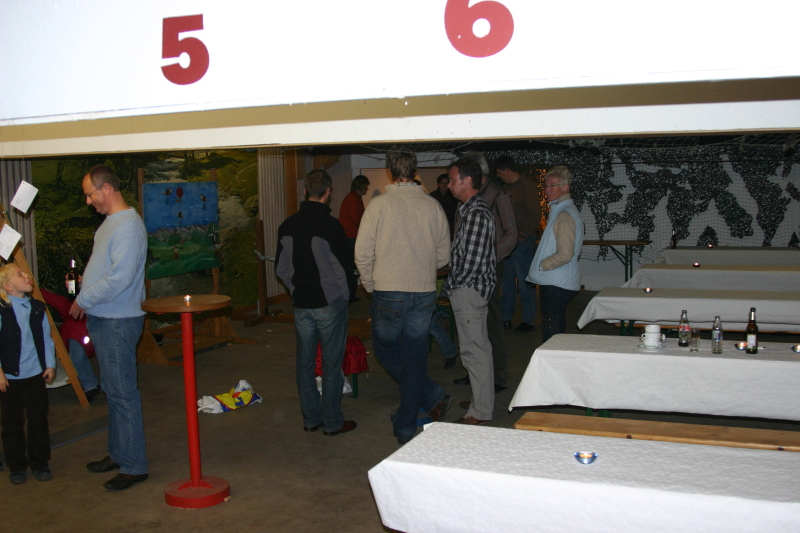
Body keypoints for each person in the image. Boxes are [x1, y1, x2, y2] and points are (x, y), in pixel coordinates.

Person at [355, 148, 451, 445]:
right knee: (414, 357)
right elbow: (443, 256)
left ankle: (427, 402)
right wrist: (422, 267)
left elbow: (362, 252)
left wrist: (369, 284)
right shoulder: (432, 206)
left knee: (385, 352)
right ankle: (411, 420)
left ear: (390, 171)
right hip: (423, 291)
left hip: (388, 291)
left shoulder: (378, 206)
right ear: (415, 170)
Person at [69, 164, 149, 492]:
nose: (89, 201)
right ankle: (119, 453)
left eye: (90, 195)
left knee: (122, 393)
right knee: (113, 391)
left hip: (117, 320)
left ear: (106, 189)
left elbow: (120, 278)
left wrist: (84, 297)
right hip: (104, 319)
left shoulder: (128, 225)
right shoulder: (109, 225)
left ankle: (134, 465)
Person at [276, 169, 357, 437]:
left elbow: (281, 268)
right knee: (332, 366)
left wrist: (295, 290)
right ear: (328, 192)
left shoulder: (287, 226)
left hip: (302, 305)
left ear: (305, 191)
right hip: (329, 303)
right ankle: (332, 422)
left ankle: (311, 418)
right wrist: (344, 296)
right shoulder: (331, 227)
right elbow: (343, 269)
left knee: (305, 364)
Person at [453, 152, 517, 393]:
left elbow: (511, 233)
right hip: (469, 266)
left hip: (488, 265)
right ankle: (475, 373)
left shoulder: (499, 195)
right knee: (473, 325)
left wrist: (490, 257)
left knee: (491, 320)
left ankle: (497, 377)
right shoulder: (466, 197)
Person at [445, 157, 496, 425]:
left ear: (467, 181)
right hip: (470, 290)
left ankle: (480, 411)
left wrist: (452, 286)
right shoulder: (471, 210)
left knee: (474, 354)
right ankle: (481, 399)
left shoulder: (475, 213)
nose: (449, 185)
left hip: (468, 291)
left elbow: (471, 264)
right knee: (476, 351)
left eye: (452, 180)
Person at [0, 263, 56, 485]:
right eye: (19, 274)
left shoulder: (38, 307)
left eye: (25, 272)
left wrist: (49, 364)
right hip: (9, 379)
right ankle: (16, 465)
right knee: (11, 423)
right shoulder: (2, 309)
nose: (27, 276)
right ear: (8, 286)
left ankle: (40, 462)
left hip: (34, 375)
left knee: (38, 420)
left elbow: (46, 338)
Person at [527, 165, 583, 343]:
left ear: (565, 187)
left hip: (555, 281)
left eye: (552, 186)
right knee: (555, 326)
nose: (547, 190)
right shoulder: (561, 210)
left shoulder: (564, 215)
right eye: (546, 186)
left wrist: (542, 265)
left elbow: (565, 254)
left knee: (552, 330)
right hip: (556, 279)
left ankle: (552, 357)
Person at [496, 156, 542, 332]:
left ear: (507, 171)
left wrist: (522, 235)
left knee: (524, 282)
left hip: (521, 242)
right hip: (509, 241)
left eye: (499, 173)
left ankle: (528, 320)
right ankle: (505, 318)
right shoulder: (507, 187)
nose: (498, 176)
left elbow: (534, 214)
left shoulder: (526, 186)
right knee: (507, 281)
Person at [40, 287, 101, 401]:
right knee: (81, 360)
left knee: (78, 360)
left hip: (76, 335)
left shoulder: (71, 306)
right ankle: (92, 384)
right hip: (83, 335)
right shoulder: (82, 306)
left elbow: (54, 300)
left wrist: (37, 291)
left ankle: (90, 386)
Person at [339, 175, 370, 302]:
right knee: (351, 268)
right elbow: (357, 219)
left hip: (348, 237)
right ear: (361, 186)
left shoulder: (352, 197)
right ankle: (349, 295)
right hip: (350, 237)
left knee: (350, 268)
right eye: (366, 187)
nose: (367, 189)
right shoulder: (354, 199)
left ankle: (350, 294)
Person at [429, 173, 458, 238]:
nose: (444, 185)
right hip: (436, 226)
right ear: (438, 184)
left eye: (446, 183)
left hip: (451, 227)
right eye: (442, 183)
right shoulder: (432, 195)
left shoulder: (454, 196)